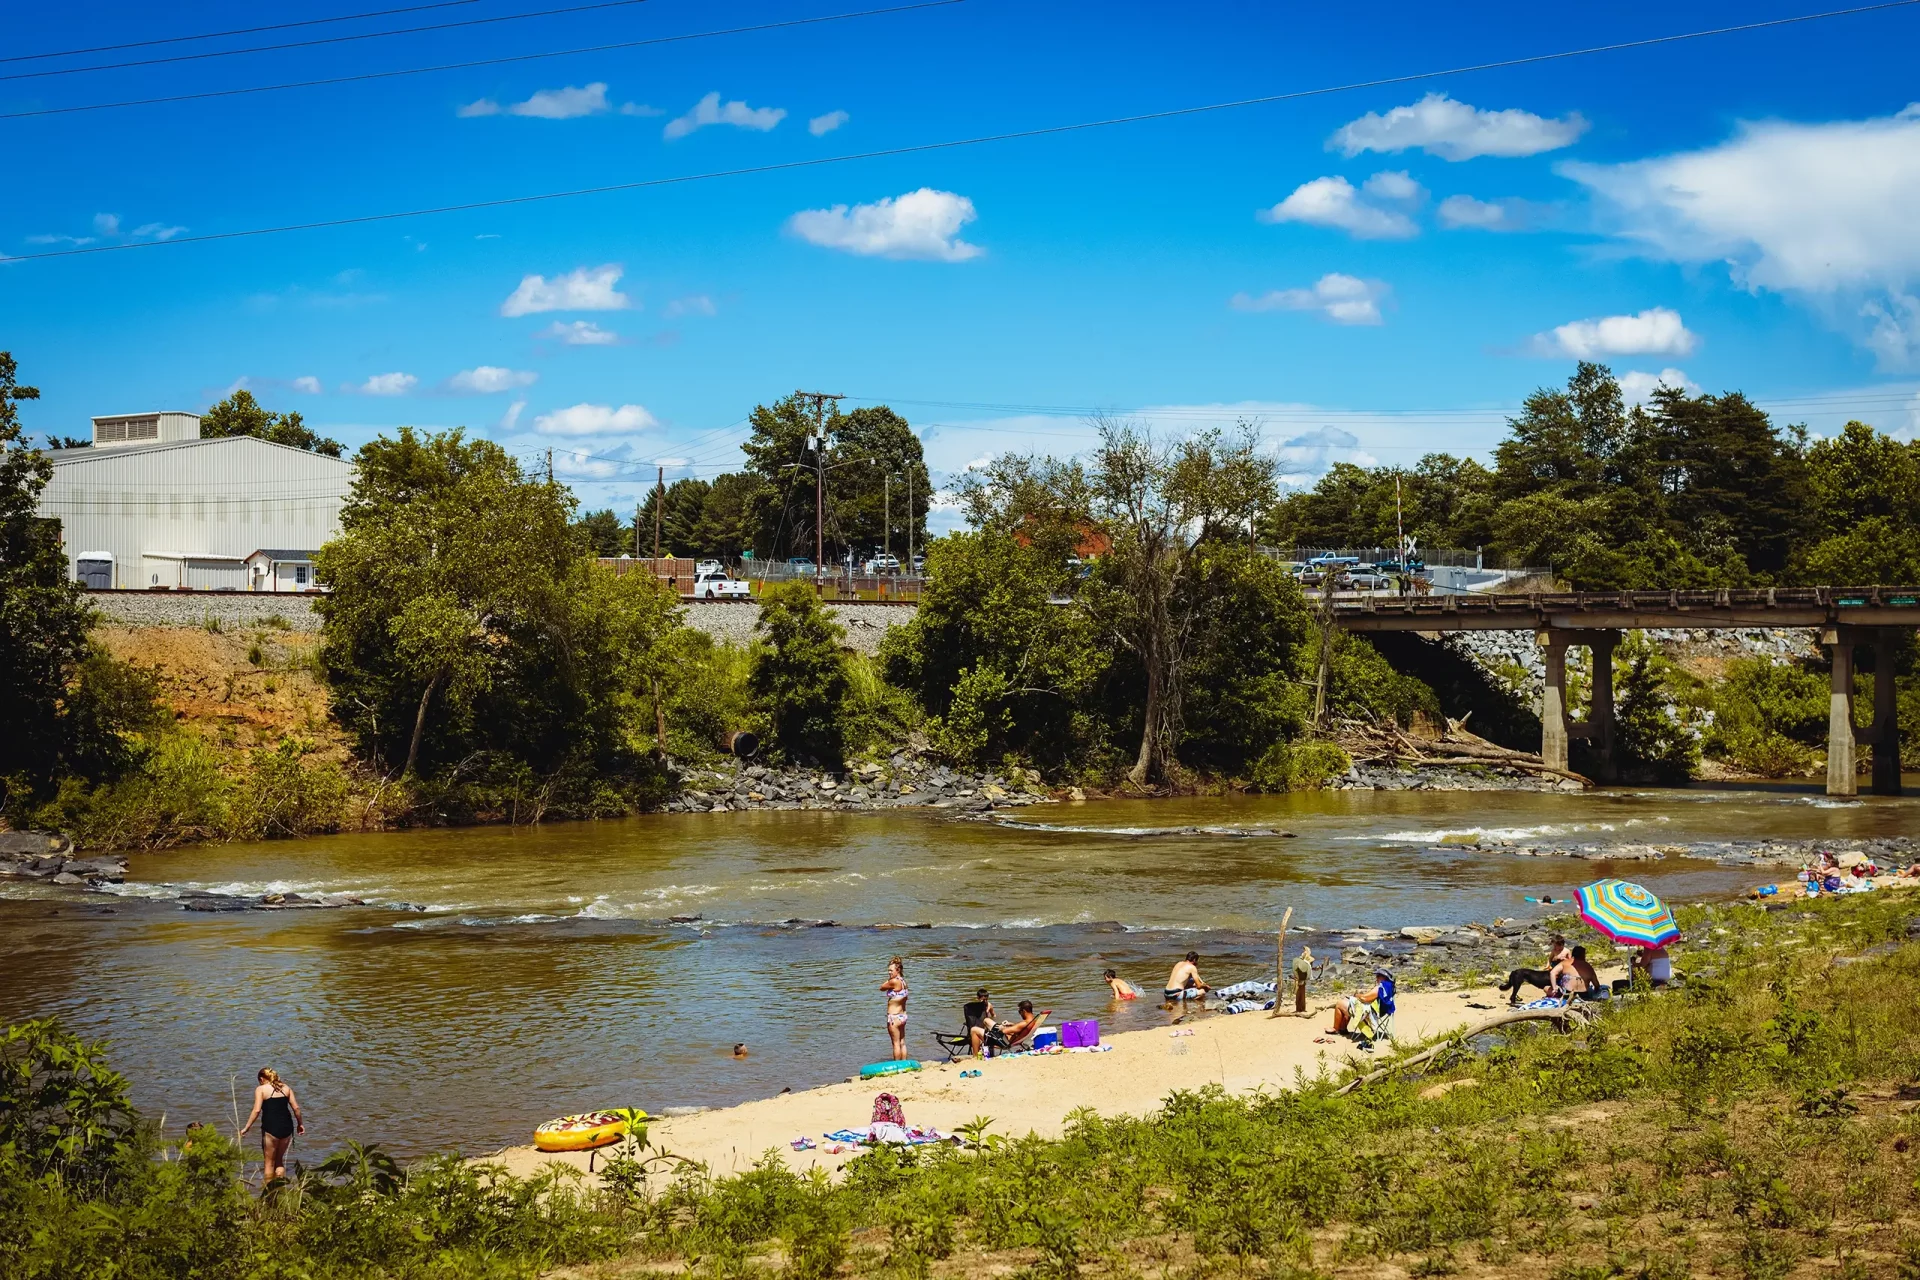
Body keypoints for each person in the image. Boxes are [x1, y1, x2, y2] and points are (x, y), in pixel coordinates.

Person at [238, 1067, 303, 1184]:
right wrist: (300, 1124)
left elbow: (256, 1110)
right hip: (287, 1127)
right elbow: (296, 1108)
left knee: (269, 1164)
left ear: (262, 1079)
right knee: (279, 1162)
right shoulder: (286, 1088)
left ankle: (269, 1195)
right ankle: (280, 1190)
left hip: (271, 1128)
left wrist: (246, 1128)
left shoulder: (261, 1089)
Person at [1329, 969, 1395, 1044]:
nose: (1376, 978)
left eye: (1378, 976)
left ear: (1384, 977)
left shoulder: (1380, 987)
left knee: (1339, 1004)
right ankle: (1343, 1028)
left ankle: (1335, 1028)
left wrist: (1357, 995)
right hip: (1383, 1011)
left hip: (1370, 1012)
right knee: (1347, 1002)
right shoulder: (1390, 987)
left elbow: (1365, 998)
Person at [881, 956, 909, 1061]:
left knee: (895, 1044)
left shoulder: (894, 982)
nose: (889, 972)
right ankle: (904, 1064)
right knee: (902, 1042)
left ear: (898, 970)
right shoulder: (904, 982)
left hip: (894, 1017)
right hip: (902, 1016)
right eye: (888, 970)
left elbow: (881, 987)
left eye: (891, 970)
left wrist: (890, 979)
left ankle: (897, 1065)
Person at [963, 987, 996, 1056]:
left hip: (978, 1029)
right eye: (983, 999)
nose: (984, 1001)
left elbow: (993, 1015)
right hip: (981, 1030)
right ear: (978, 998)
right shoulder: (988, 1005)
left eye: (986, 999)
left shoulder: (970, 1007)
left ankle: (982, 1054)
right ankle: (985, 1054)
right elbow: (994, 1016)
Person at [1292, 945, 1314, 1014]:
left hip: (1301, 979)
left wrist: (1305, 955)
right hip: (1300, 979)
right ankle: (1300, 1008)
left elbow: (1311, 959)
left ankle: (1300, 1008)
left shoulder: (1305, 961)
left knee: (1300, 993)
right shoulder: (1304, 962)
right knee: (1300, 993)